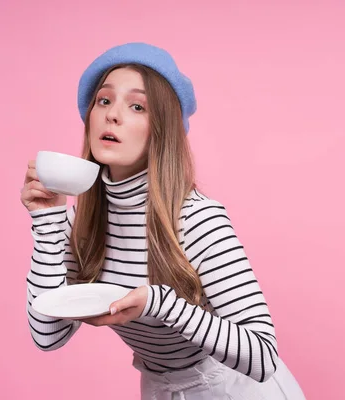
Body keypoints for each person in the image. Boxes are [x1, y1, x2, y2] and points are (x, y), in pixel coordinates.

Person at [20, 42, 306, 399]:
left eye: (137, 106)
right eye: (104, 101)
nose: (112, 115)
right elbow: (47, 337)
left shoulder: (198, 218)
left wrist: (159, 303)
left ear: (162, 129)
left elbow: (263, 356)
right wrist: (47, 220)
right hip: (159, 389)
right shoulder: (83, 222)